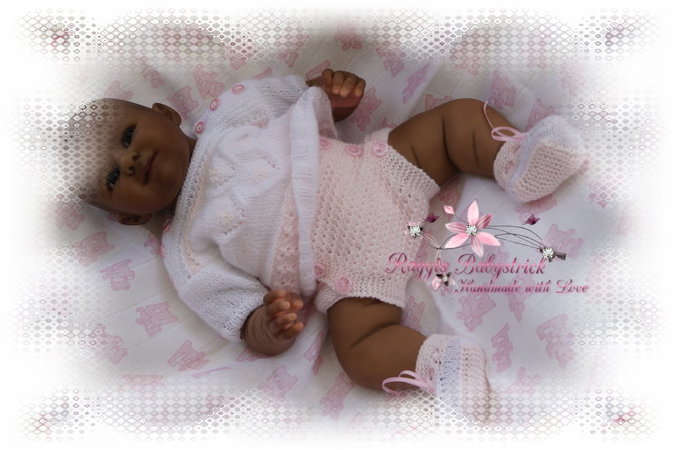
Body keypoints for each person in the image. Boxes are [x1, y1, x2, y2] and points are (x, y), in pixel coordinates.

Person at [65, 69, 584, 422]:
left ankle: (517, 162)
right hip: (346, 274)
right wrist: (268, 324)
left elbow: (310, 97)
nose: (130, 162)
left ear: (163, 111)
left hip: (381, 171)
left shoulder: (232, 113)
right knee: (358, 354)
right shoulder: (184, 251)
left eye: (128, 137)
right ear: (130, 217)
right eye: (112, 177)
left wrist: (337, 93)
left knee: (454, 120)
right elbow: (240, 316)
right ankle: (441, 363)